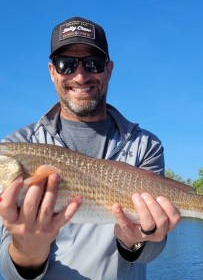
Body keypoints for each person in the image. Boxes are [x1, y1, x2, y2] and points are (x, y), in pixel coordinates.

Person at [0, 17, 181, 280]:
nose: (81, 75)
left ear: (109, 70)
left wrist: (136, 241)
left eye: (93, 64)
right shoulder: (15, 143)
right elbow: (7, 268)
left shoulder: (146, 145)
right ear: (52, 72)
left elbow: (151, 249)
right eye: (66, 65)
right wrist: (28, 250)